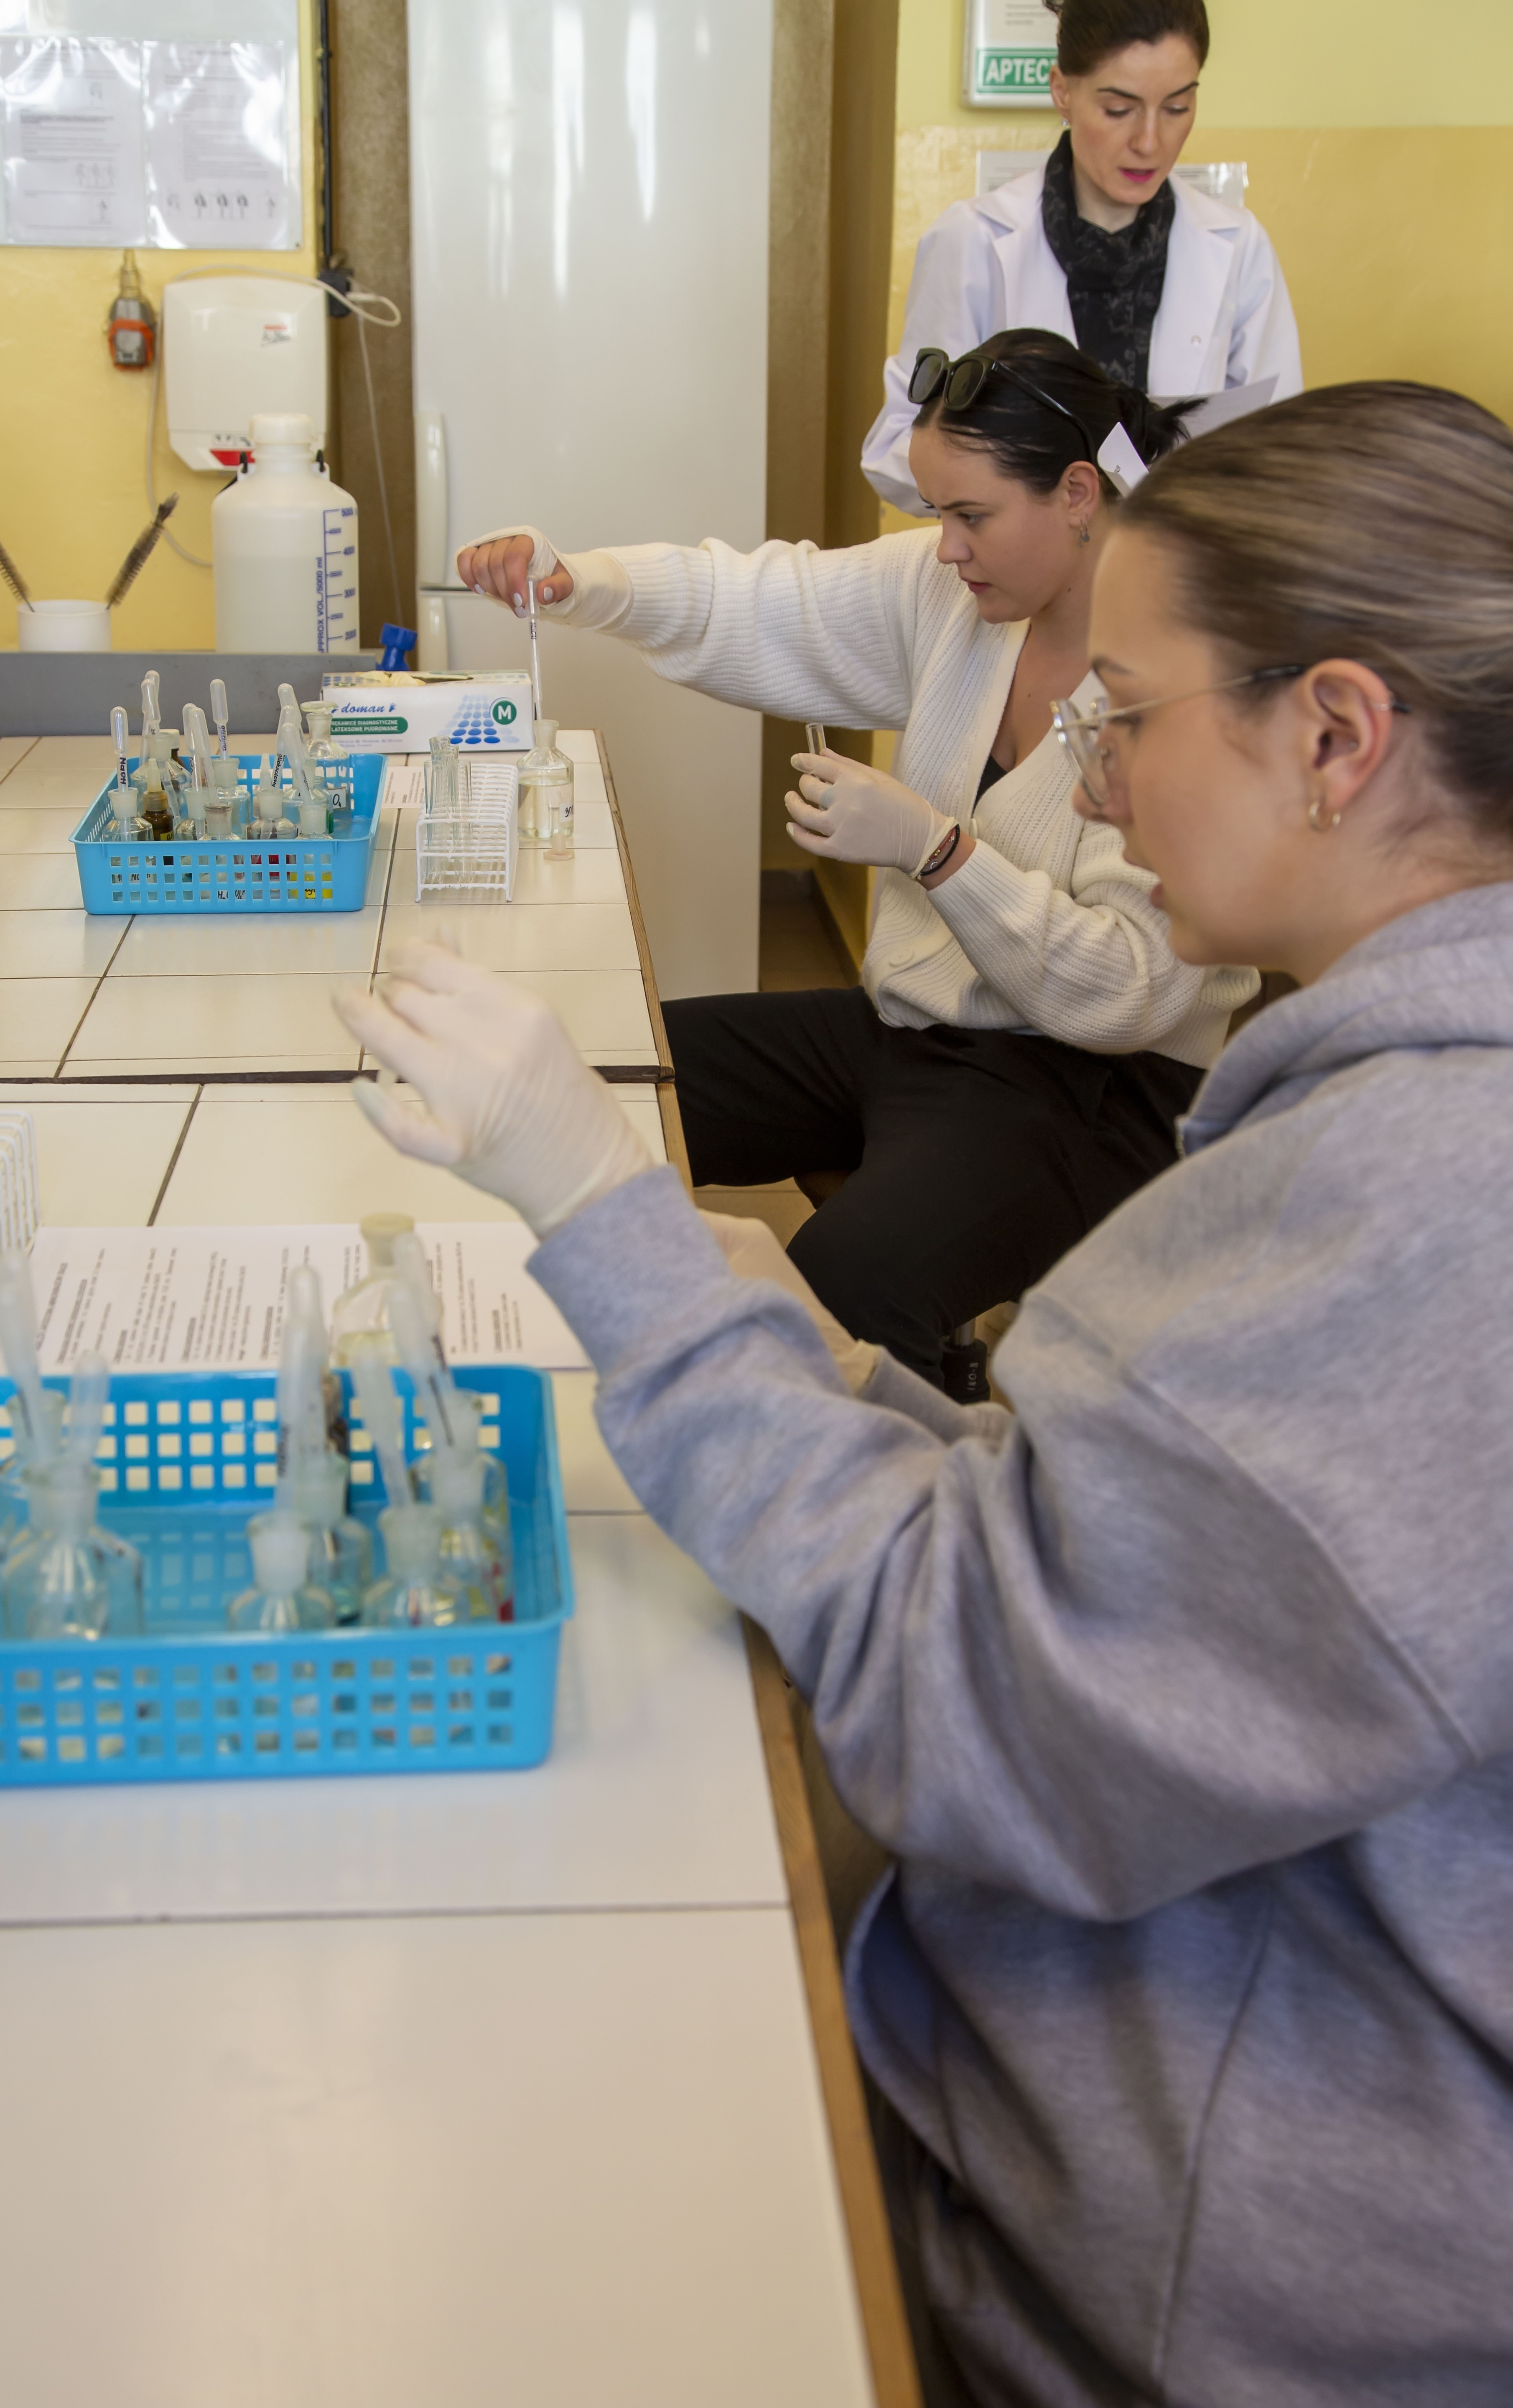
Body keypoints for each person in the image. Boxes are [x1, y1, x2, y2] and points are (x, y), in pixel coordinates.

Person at [339, 379, 1513, 2405]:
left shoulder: (1420, 1198)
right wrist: (831, 1369)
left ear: (1335, 735)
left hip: (1167, 2288)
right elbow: (1171, 1553)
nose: (1102, 786)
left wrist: (616, 1234)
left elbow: (958, 1705)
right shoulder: (1395, 1114)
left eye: (1124, 720)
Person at [453, 329, 1254, 1387]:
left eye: (970, 515)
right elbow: (758, 597)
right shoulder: (960, 595)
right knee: (591, 1080)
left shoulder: (1195, 670)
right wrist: (579, 580)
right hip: (917, 1023)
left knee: (836, 1289)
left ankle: (920, 1447)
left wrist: (937, 852)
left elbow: (1131, 993)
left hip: (1091, 1087)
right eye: (935, 514)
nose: (945, 548)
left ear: (1075, 492)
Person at [863, 0, 1301, 516]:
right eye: (1118, 110)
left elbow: (1281, 448)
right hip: (1021, 562)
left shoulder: (1238, 245)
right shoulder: (974, 239)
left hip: (1179, 552)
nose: (1149, 142)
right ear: (1062, 92)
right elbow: (895, 448)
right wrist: (1015, 475)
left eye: (1178, 108)